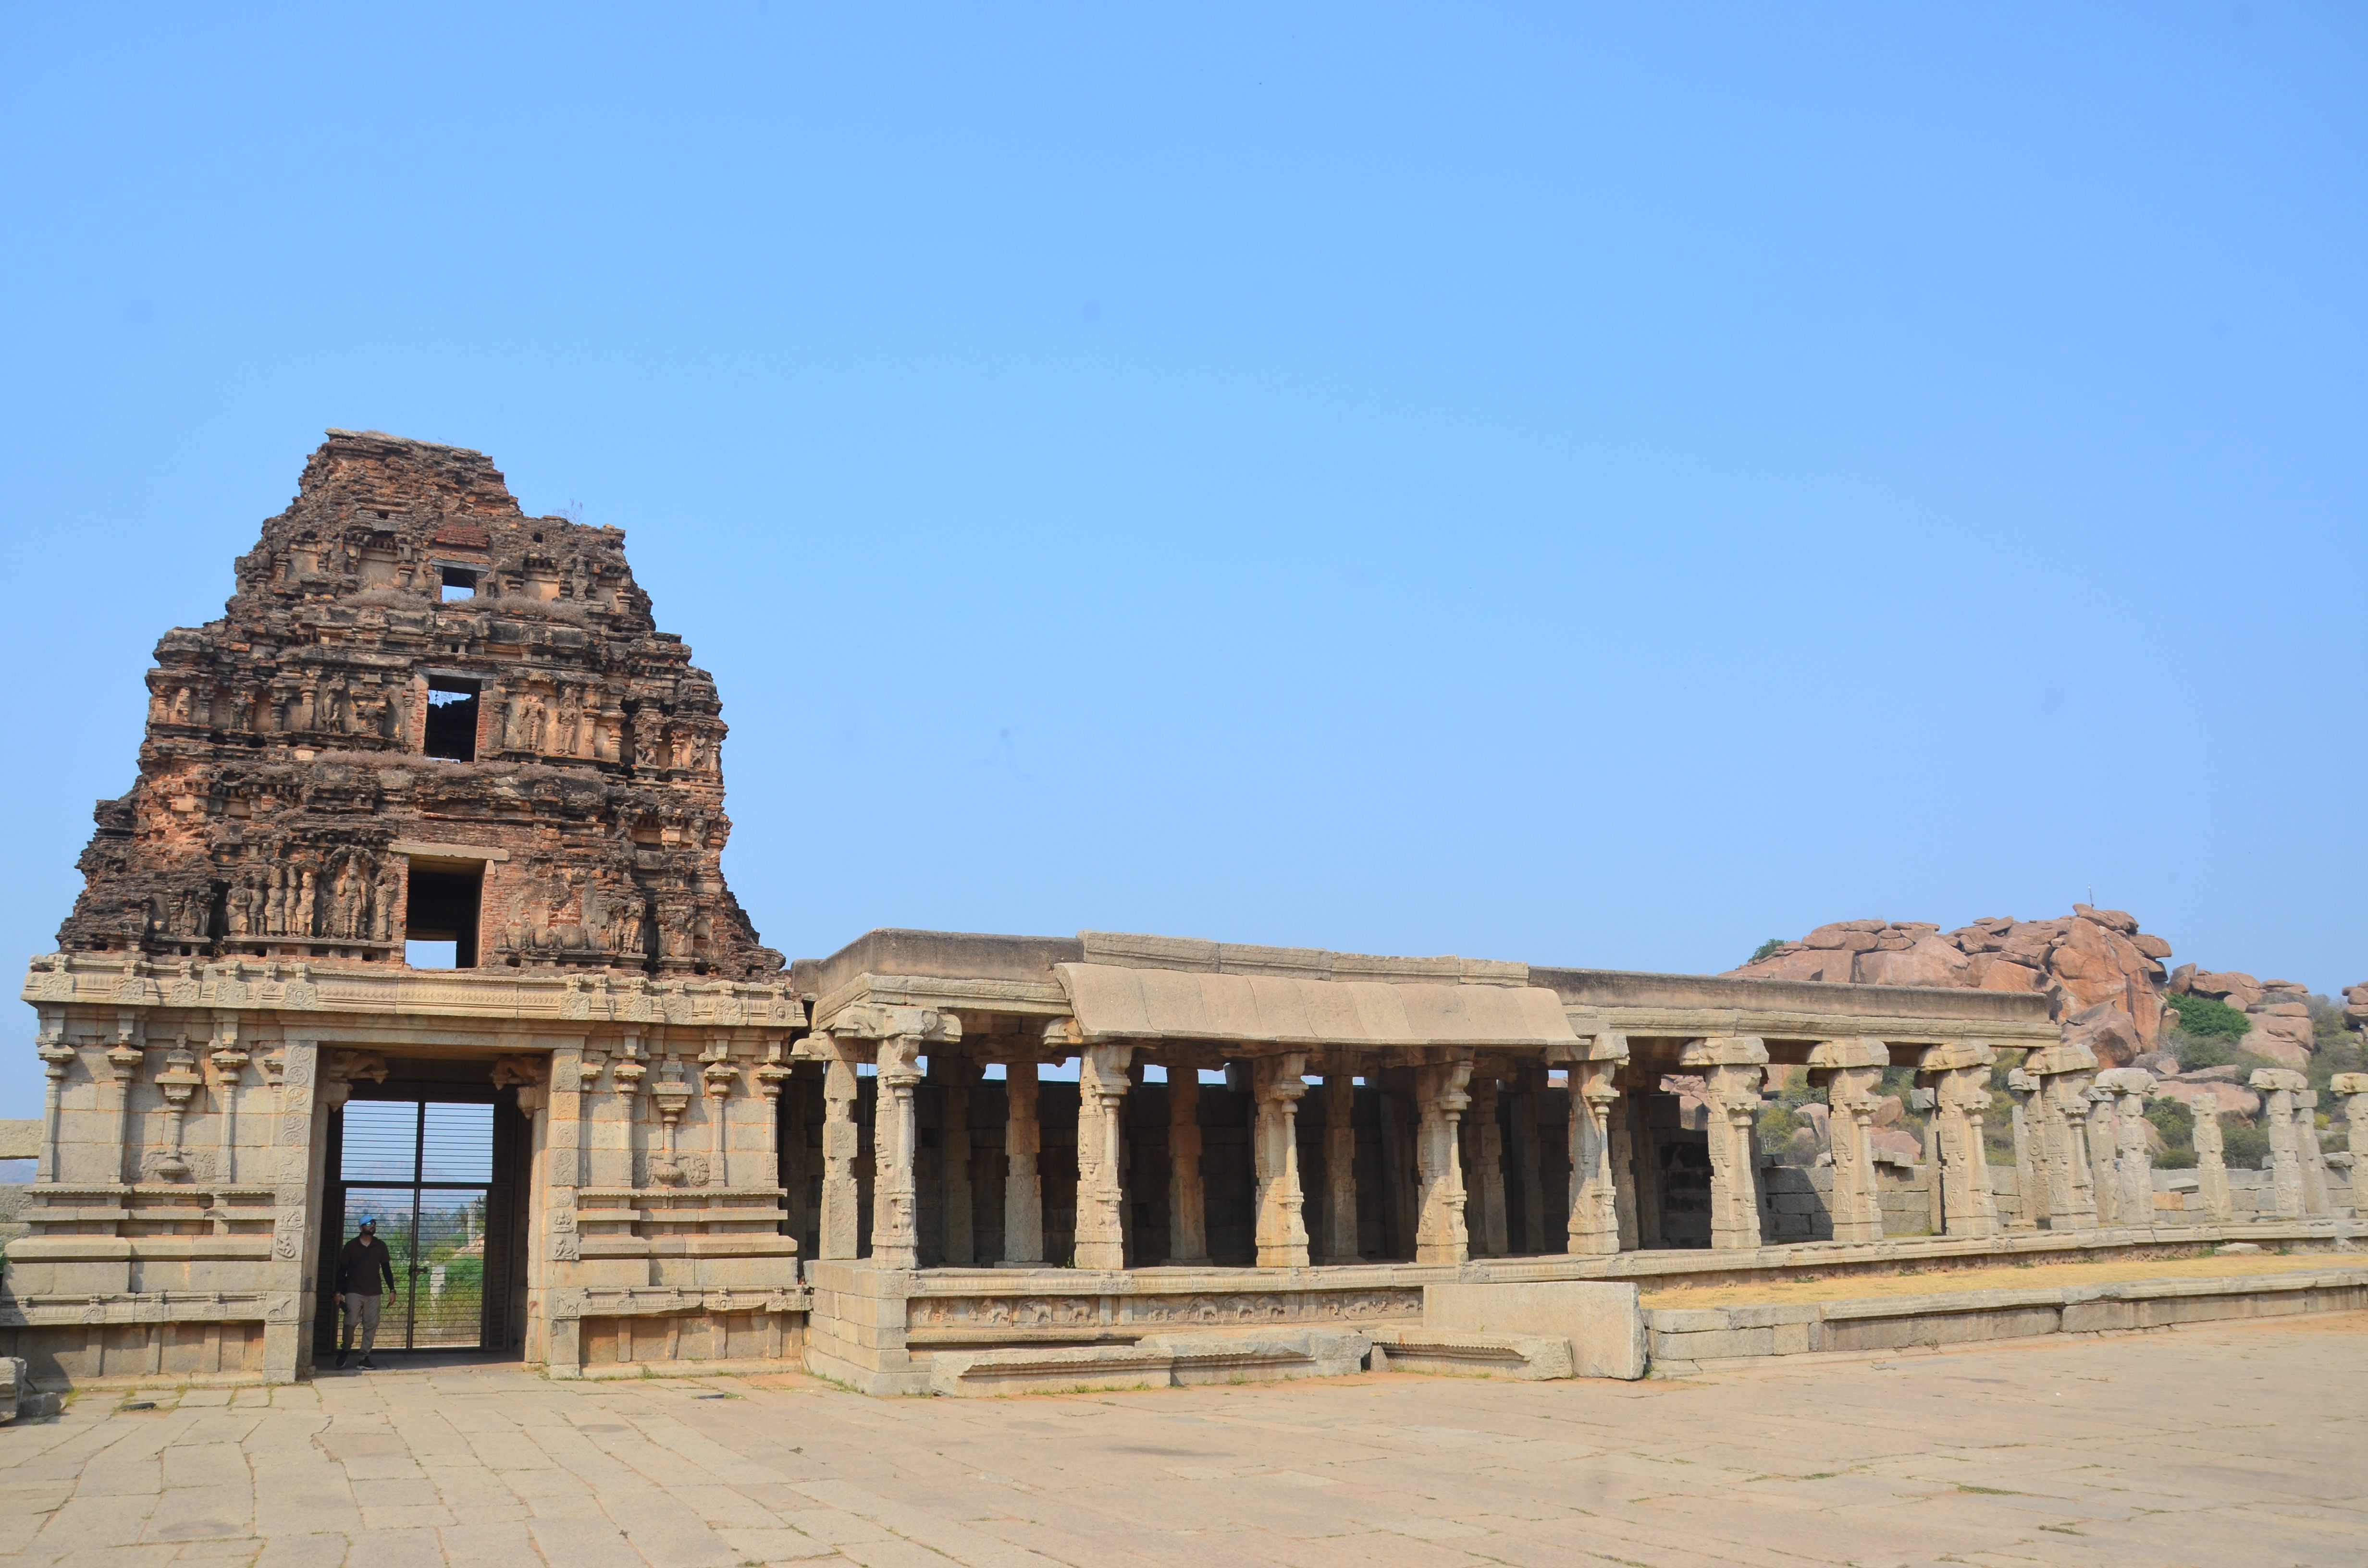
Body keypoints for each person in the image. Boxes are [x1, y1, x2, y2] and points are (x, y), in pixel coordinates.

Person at [334, 1218, 398, 1369]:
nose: (372, 1226)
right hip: (354, 1290)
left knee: (371, 1325)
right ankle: (346, 1349)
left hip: (374, 1292)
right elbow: (342, 1271)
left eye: (374, 1224)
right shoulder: (351, 1246)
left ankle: (364, 1357)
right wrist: (337, 1292)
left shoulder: (380, 1246)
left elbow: (386, 1269)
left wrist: (392, 1290)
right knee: (350, 1323)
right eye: (369, 1224)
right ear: (361, 1227)